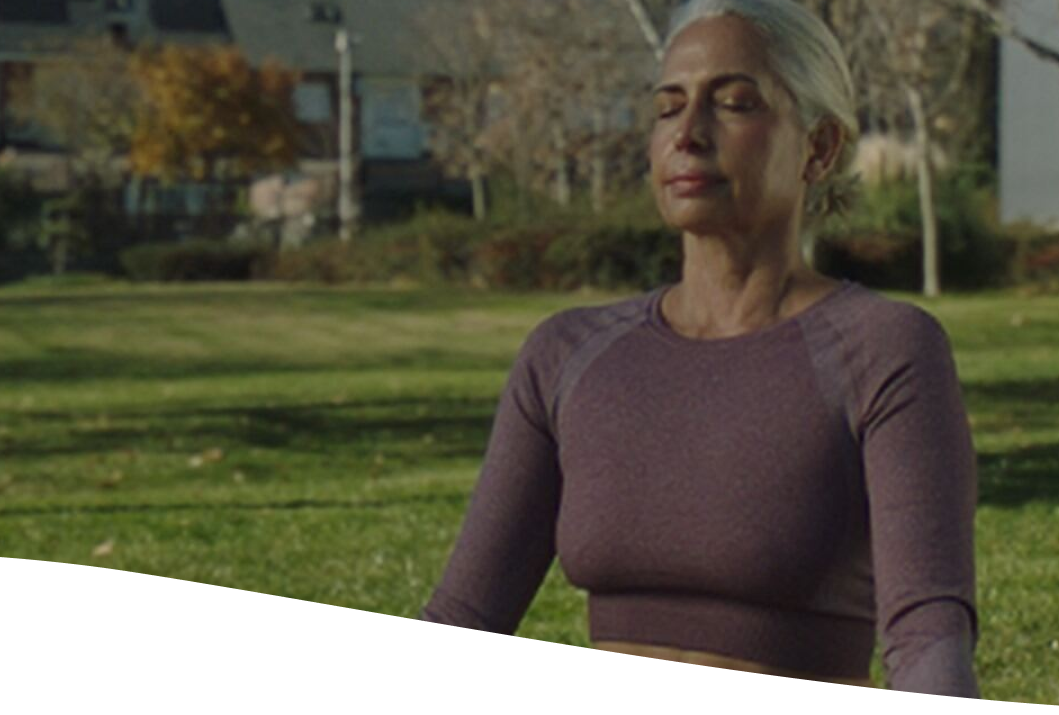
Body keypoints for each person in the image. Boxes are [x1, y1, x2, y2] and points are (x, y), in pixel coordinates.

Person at [419, 0, 980, 698]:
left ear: (820, 147)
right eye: (667, 106)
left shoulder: (884, 349)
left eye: (735, 103)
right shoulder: (566, 355)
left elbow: (927, 632)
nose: (687, 134)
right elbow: (466, 612)